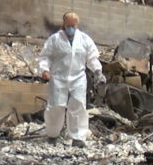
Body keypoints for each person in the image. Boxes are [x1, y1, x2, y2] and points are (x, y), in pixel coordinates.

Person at [38, 12, 105, 147]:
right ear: (64, 24)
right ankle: (52, 135)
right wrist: (44, 69)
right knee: (56, 106)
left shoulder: (84, 39)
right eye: (68, 25)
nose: (70, 28)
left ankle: (78, 138)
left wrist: (98, 72)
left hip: (78, 78)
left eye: (73, 25)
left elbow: (92, 57)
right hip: (58, 77)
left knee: (78, 106)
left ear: (77, 25)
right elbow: (45, 56)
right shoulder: (55, 39)